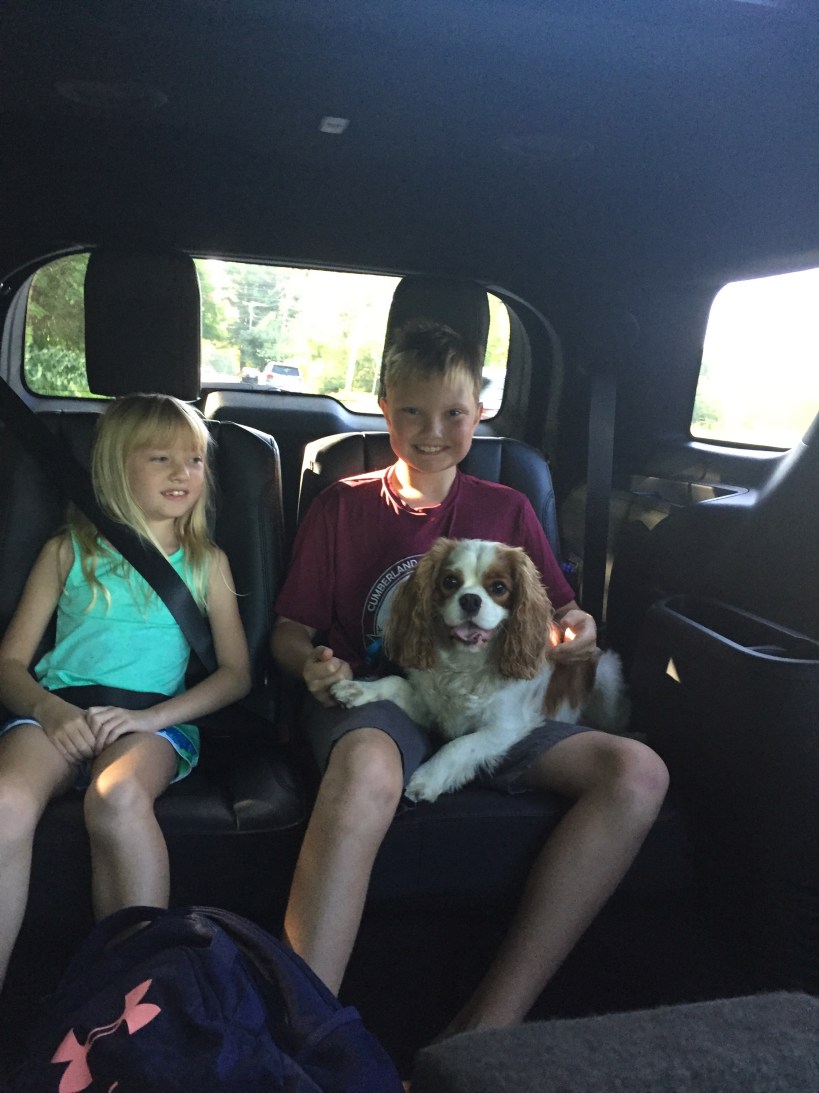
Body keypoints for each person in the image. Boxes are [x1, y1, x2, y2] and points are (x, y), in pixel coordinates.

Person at [271, 320, 669, 1036]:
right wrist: (311, 664)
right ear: (383, 408)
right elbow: (289, 630)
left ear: (479, 412)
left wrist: (579, 629)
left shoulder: (508, 507)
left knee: (637, 773)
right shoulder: (341, 504)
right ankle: (300, 1030)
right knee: (365, 767)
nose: (433, 431)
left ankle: (485, 1031)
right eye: (413, 411)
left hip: (501, 698)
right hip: (381, 696)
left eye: (453, 412)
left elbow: (561, 612)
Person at [0, 393, 251, 993]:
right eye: (160, 458)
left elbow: (235, 674)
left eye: (194, 459)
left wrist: (152, 719)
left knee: (116, 798)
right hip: (56, 711)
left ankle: (134, 998)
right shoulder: (68, 552)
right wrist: (48, 708)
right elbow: (9, 663)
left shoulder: (206, 562)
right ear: (116, 468)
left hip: (152, 721)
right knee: (6, 804)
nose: (182, 472)